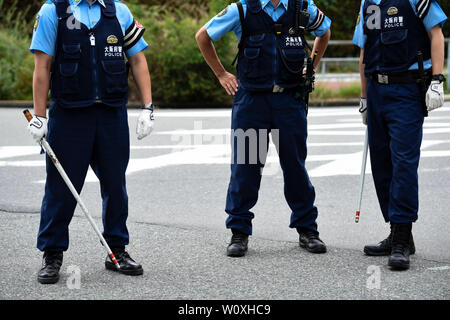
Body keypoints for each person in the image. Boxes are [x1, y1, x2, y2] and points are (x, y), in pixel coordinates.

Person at [28, 0, 155, 284]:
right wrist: (39, 116)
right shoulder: (54, 11)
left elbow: (136, 59)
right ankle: (52, 254)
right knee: (61, 189)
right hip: (70, 115)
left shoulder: (118, 11)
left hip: (111, 114)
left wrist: (148, 106)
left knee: (115, 184)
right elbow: (42, 65)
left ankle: (116, 250)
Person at [196, 0, 331, 257]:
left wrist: (310, 69)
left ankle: (307, 230)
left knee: (295, 166)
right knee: (246, 167)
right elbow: (203, 36)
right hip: (252, 103)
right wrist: (222, 74)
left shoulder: (303, 7)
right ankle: (239, 231)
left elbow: (324, 32)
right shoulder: (242, 9)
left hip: (289, 100)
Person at [353, 0, 447, 270]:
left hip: (406, 91)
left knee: (404, 164)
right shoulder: (368, 4)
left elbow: (436, 34)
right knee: (382, 166)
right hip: (376, 91)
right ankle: (397, 232)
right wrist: (363, 98)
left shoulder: (417, 0)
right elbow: (364, 50)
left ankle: (402, 240)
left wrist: (438, 80)